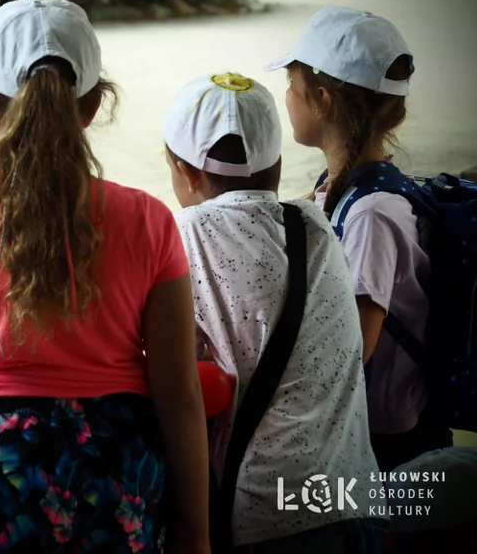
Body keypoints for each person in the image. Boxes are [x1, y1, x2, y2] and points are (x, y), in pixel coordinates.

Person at [0, 0, 210, 553]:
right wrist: (196, 531)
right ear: (95, 106)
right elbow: (178, 391)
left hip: (1, 472)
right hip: (117, 474)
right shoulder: (149, 220)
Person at [163, 72, 385, 552]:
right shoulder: (316, 227)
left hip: (263, 517)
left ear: (186, 171)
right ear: (278, 165)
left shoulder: (180, 235)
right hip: (354, 500)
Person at [266, 6, 451, 472]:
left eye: (291, 85)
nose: (286, 96)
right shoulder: (340, 188)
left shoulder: (372, 211)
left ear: (323, 99)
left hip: (393, 450)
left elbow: (353, 351)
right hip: (367, 433)